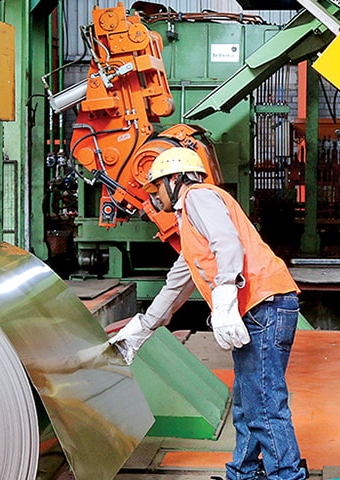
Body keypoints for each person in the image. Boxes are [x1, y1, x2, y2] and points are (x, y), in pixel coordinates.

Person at [109, 147, 307, 480]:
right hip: (260, 308)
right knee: (246, 402)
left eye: (156, 187)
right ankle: (242, 472)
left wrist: (226, 293)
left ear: (175, 179)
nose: (155, 197)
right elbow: (176, 285)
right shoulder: (190, 225)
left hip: (264, 305)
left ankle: (286, 475)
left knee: (264, 403)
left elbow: (227, 243)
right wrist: (141, 328)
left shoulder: (198, 197)